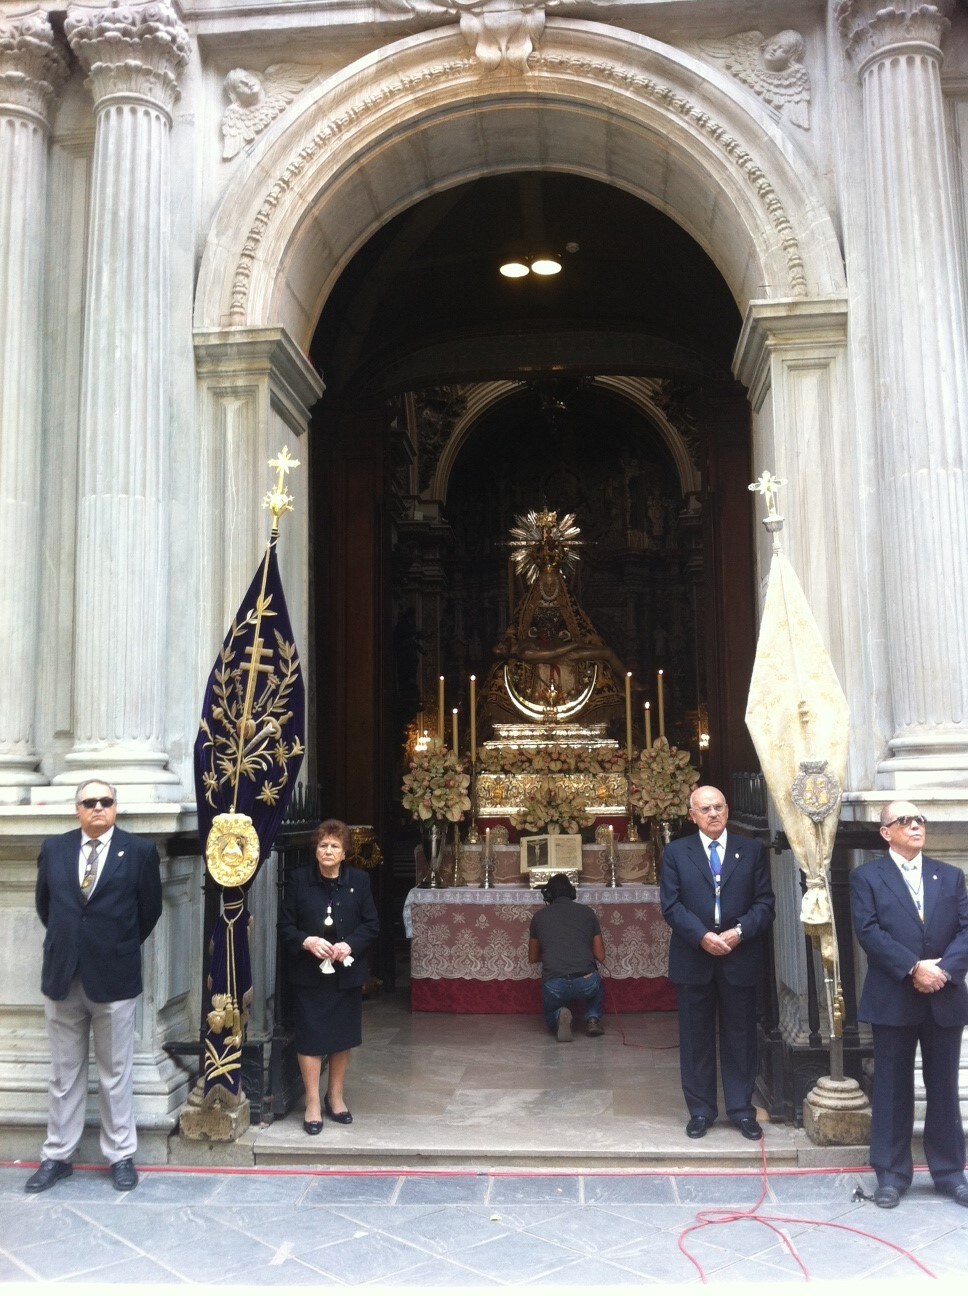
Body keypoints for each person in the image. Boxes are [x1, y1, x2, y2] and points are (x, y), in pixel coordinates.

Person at [26, 780, 163, 1194]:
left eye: (106, 801)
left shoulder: (139, 852)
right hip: (63, 975)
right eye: (90, 802)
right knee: (65, 1074)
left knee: (115, 1072)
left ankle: (120, 1155)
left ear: (116, 807)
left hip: (114, 976)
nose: (98, 808)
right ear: (77, 809)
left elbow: (149, 910)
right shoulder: (55, 849)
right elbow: (44, 905)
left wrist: (112, 945)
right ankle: (57, 1156)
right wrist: (74, 944)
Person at [849, 801, 968, 1209]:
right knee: (893, 1088)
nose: (916, 826)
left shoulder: (951, 877)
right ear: (886, 832)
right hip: (893, 996)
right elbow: (868, 932)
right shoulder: (866, 877)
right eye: (906, 820)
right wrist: (914, 967)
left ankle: (951, 1173)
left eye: (920, 820)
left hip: (944, 996)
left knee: (943, 1087)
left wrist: (943, 971)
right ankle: (891, 1174)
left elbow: (966, 930)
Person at [660, 786, 775, 1140]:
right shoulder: (676, 853)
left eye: (718, 807)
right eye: (704, 809)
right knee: (696, 1037)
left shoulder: (751, 850)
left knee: (740, 1035)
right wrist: (701, 936)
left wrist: (738, 932)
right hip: (694, 957)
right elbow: (671, 904)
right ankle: (700, 1110)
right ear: (691, 815)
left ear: (728, 810)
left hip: (738, 956)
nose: (713, 814)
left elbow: (765, 903)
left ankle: (741, 1109)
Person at [278, 819, 379, 1133]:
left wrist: (349, 944)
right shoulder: (297, 880)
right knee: (309, 1038)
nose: (328, 851)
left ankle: (335, 1095)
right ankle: (311, 1102)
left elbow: (371, 925)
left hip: (344, 973)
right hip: (309, 974)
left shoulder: (359, 881)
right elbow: (285, 926)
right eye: (323, 845)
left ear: (345, 852)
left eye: (335, 846)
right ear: (315, 849)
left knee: (341, 1036)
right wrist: (307, 941)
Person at [528, 873, 606, 1041]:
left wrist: (553, 951)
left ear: (547, 895)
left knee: (549, 1011)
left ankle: (558, 1015)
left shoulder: (538, 917)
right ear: (572, 893)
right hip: (587, 981)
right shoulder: (588, 913)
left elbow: (532, 957)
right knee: (597, 983)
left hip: (555, 985)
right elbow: (600, 956)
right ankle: (592, 1018)